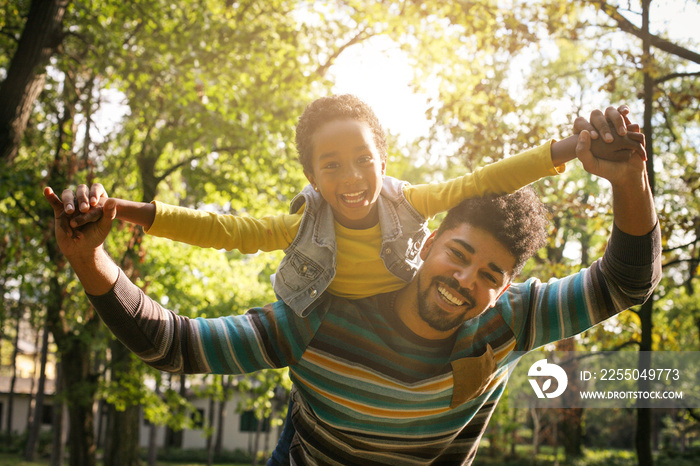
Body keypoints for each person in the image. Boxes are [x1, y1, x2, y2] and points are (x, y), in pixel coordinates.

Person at [45, 107, 660, 464]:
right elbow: (176, 345)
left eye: (491, 276)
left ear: (507, 288)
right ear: (425, 244)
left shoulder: (510, 323)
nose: (465, 281)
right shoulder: (315, 319)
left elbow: (625, 284)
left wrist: (627, 181)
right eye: (458, 255)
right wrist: (90, 260)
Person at [65, 95, 642, 320]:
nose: (351, 177)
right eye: (331, 164)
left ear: (383, 161)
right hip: (322, 321)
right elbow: (226, 230)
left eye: (363, 159)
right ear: (312, 176)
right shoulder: (304, 223)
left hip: (399, 318)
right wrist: (127, 211)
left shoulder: (409, 201)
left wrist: (573, 148)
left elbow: (485, 178)